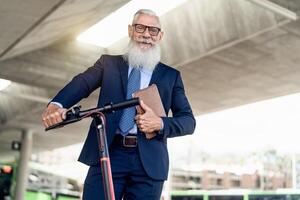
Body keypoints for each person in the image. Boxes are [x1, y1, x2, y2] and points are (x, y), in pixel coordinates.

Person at [42, 9, 196, 200]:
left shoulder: (170, 76)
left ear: (160, 36)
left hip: (149, 165)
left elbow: (189, 121)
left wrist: (160, 123)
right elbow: (82, 83)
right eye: (140, 28)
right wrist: (57, 103)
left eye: (153, 30)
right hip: (108, 153)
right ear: (131, 31)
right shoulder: (108, 64)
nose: (146, 34)